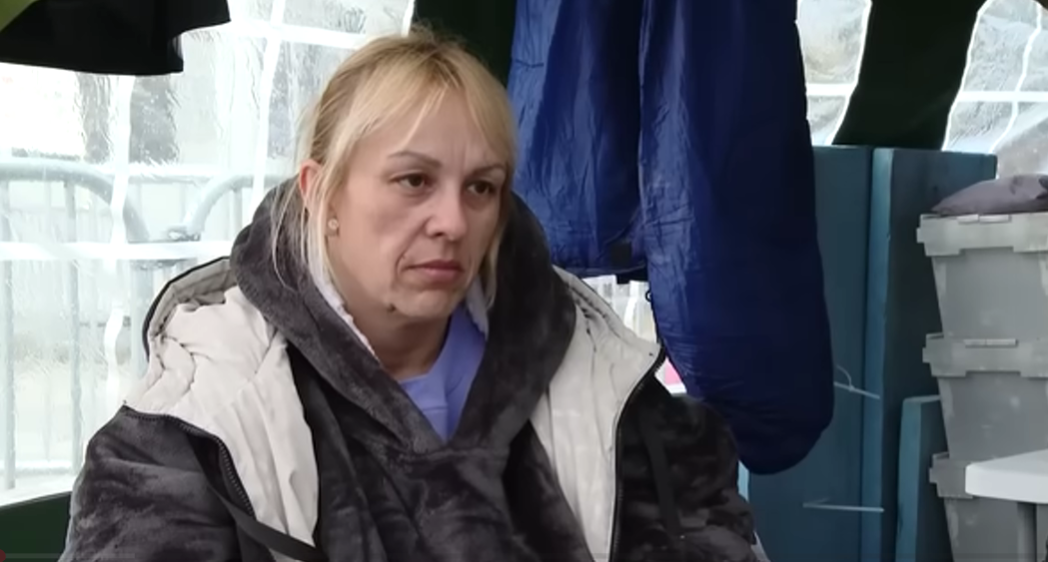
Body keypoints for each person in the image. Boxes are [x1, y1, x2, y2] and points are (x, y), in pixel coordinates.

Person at [59, 29, 758, 562]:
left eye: (481, 187)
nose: (453, 221)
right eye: (413, 181)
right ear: (321, 194)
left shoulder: (603, 385)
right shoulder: (200, 418)